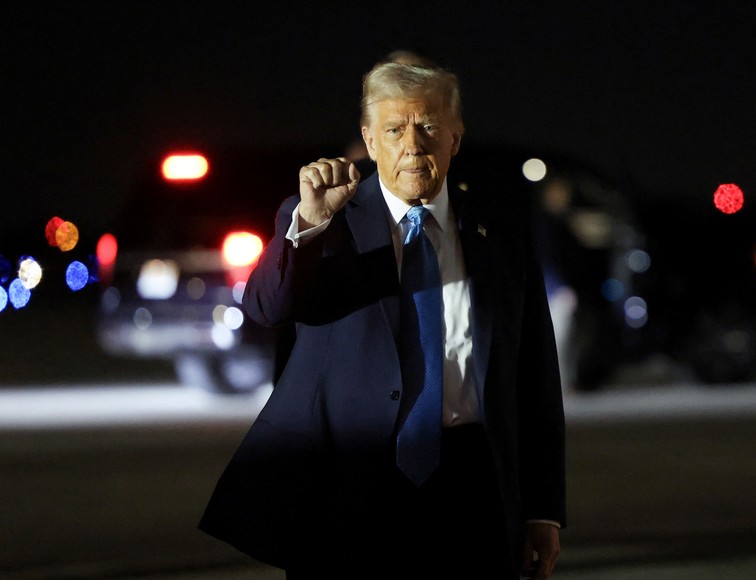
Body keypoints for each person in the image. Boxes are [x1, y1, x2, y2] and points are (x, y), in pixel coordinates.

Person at [199, 58, 566, 579]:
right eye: (395, 129)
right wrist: (309, 224)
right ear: (370, 142)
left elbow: (535, 377)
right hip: (349, 488)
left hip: (473, 486)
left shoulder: (500, 232)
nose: (413, 144)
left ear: (456, 137)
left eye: (429, 126)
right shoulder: (324, 219)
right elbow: (266, 308)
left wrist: (543, 508)